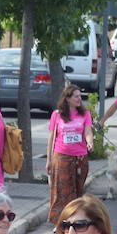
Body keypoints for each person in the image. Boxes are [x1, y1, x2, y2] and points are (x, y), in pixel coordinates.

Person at [46, 84, 94, 225]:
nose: (79, 99)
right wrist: (48, 160)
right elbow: (51, 138)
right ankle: (59, 221)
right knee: (62, 191)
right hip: (61, 156)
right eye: (76, 96)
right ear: (67, 98)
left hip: (80, 157)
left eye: (80, 96)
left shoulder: (85, 114)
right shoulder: (57, 115)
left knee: (78, 190)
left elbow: (88, 131)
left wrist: (89, 142)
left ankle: (76, 219)